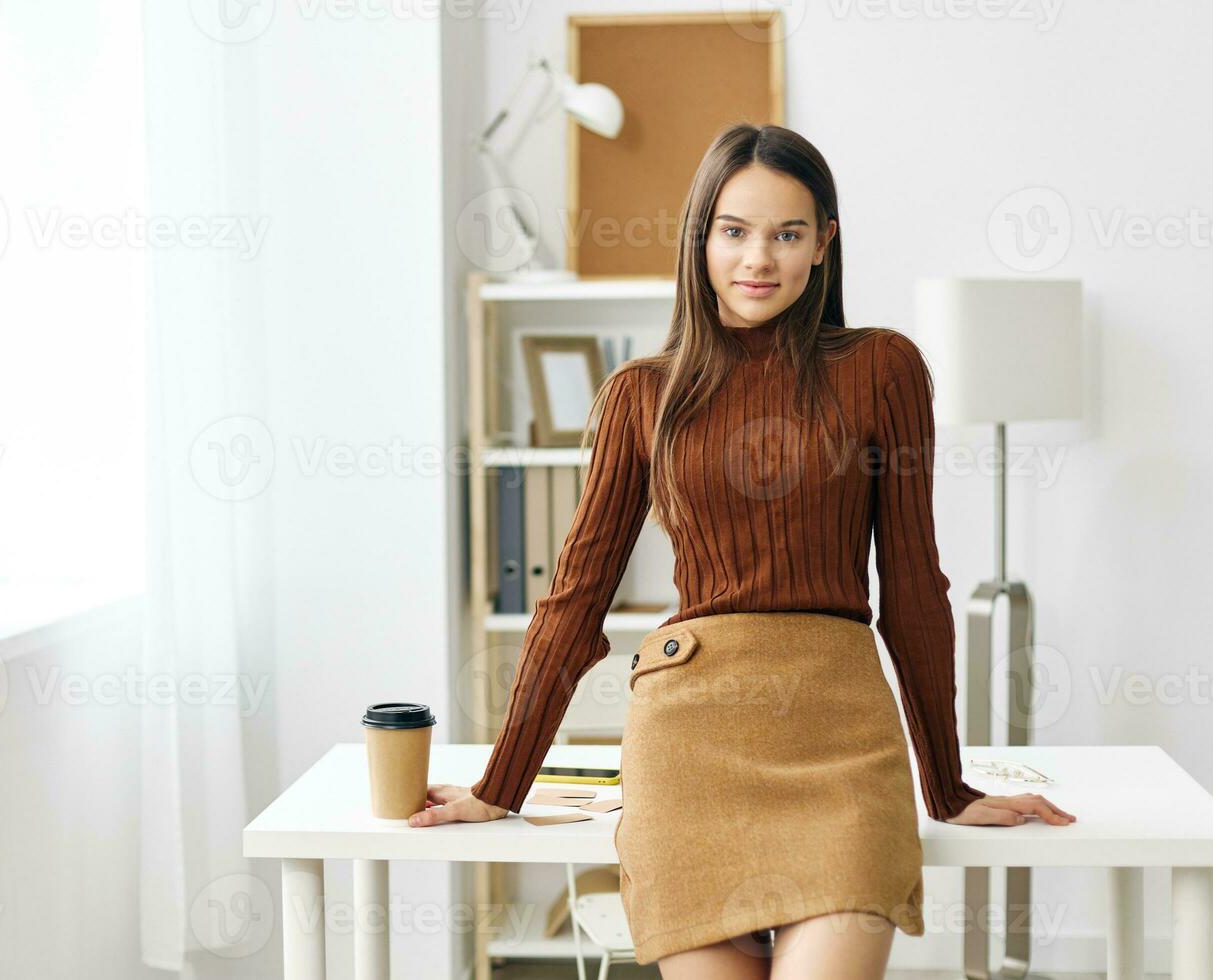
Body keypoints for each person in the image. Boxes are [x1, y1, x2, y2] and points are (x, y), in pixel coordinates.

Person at [409, 123, 1076, 979]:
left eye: (788, 233)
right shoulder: (640, 396)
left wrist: (947, 786)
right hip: (689, 747)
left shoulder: (883, 368)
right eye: (734, 231)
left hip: (839, 738)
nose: (759, 258)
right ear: (701, 238)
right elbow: (576, 600)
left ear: (824, 243)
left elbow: (913, 587)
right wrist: (501, 784)